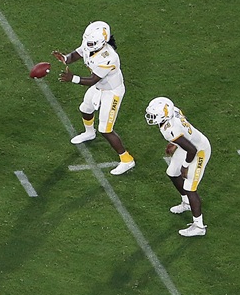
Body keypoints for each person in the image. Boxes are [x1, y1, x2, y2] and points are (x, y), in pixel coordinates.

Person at [53, 21, 136, 175]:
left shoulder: (108, 57)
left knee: (106, 129)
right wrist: (65, 58)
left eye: (91, 42)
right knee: (85, 109)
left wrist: (72, 78)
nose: (88, 44)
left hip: (112, 92)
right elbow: (78, 53)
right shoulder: (91, 44)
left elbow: (92, 80)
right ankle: (89, 132)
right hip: (100, 87)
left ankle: (127, 160)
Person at [145, 97, 212, 237]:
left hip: (199, 150)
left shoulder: (169, 130)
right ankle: (186, 203)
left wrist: (185, 167)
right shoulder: (173, 112)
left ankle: (199, 226)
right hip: (188, 144)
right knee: (172, 172)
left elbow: (192, 150)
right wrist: (175, 143)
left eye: (154, 115)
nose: (151, 117)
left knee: (190, 187)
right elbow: (183, 126)